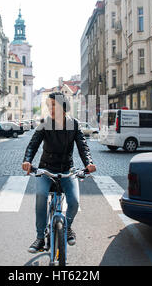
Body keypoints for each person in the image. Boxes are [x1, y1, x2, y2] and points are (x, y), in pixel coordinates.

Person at [22, 92, 96, 253]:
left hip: (67, 170)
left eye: (53, 105)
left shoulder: (74, 124)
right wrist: (27, 160)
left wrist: (88, 163)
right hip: (46, 169)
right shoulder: (45, 123)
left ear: (63, 106)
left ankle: (67, 226)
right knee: (41, 196)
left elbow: (83, 146)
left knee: (74, 202)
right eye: (48, 106)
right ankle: (40, 237)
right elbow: (33, 144)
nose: (50, 109)